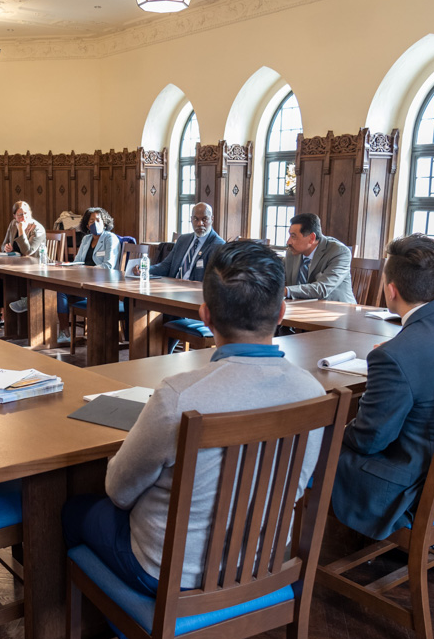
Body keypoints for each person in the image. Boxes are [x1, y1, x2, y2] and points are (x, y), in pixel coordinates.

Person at [62, 240, 326, 593]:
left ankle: (127, 631)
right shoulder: (313, 393)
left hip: (170, 573)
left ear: (205, 315)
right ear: (281, 313)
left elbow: (119, 492)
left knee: (73, 511)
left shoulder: (179, 395)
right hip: (261, 564)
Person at [330, 234, 434, 540]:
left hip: (413, 485)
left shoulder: (395, 355)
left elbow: (370, 441)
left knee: (313, 446)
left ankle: (305, 556)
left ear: (391, 290)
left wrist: (334, 432)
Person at [56, 207, 121, 343]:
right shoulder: (86, 239)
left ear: (105, 222)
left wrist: (86, 270)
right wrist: (68, 265)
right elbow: (78, 261)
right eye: (92, 221)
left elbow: (108, 266)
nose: (95, 223)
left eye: (98, 220)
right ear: (87, 225)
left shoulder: (110, 238)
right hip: (83, 282)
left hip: (102, 284)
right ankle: (64, 332)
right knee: (61, 290)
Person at [283, 213, 355, 302]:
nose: (288, 242)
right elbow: (277, 275)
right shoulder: (292, 252)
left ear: (311, 238)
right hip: (303, 307)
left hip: (337, 310)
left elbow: (322, 288)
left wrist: (285, 291)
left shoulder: (339, 252)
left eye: (293, 236)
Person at [146, 202, 225, 281]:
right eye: (196, 219)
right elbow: (166, 265)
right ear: (191, 219)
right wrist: (145, 270)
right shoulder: (183, 240)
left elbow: (215, 280)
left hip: (195, 290)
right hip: (173, 286)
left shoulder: (219, 245)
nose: (200, 224)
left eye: (204, 219)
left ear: (212, 219)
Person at [1, 201, 46, 316]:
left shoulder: (37, 228)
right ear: (14, 216)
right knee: (0, 277)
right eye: (19, 214)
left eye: (26, 213)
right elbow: (3, 244)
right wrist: (6, 248)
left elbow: (27, 251)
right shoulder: (12, 224)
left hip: (34, 266)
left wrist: (21, 230)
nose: (23, 217)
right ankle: (4, 312)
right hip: (15, 264)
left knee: (10, 277)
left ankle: (21, 304)